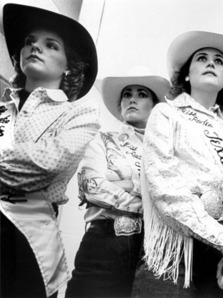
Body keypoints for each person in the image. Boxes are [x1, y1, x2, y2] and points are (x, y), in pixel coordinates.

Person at [132, 31, 223, 297]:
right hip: (173, 258)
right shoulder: (166, 113)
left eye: (219, 61)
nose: (211, 63)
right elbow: (164, 187)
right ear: (186, 75)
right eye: (202, 58)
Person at [0, 3, 99, 298]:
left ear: (69, 65)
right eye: (29, 42)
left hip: (30, 245)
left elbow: (46, 166)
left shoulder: (79, 114)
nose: (35, 47)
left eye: (50, 45)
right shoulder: (2, 107)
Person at [65, 69, 170, 298]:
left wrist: (122, 183)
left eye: (141, 94)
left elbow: (174, 197)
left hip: (154, 247)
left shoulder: (166, 153)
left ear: (154, 106)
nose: (132, 99)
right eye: (126, 95)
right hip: (106, 241)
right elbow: (91, 187)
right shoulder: (102, 138)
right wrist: (146, 199)